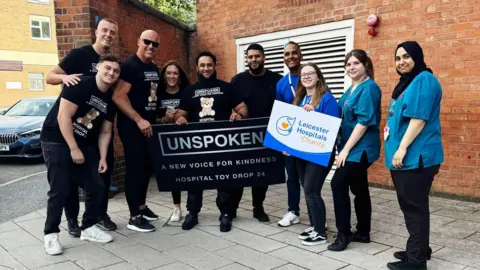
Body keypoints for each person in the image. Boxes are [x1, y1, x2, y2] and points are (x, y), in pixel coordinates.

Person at [45, 18, 119, 236]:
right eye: (104, 30)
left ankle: (95, 218)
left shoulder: (113, 64)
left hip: (91, 132)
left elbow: (106, 129)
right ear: (96, 31)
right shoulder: (80, 55)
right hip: (64, 127)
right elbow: (50, 77)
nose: (108, 34)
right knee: (63, 183)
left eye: (112, 32)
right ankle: (70, 221)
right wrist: (65, 78)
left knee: (97, 179)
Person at [385, 41, 443, 270]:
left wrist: (401, 148)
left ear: (417, 57)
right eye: (398, 58)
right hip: (407, 158)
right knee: (416, 206)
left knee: (413, 207)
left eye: (407, 56)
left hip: (415, 157)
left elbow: (418, 119)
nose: (401, 61)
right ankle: (420, 249)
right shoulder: (408, 84)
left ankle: (417, 261)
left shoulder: (423, 80)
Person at [175, 51, 248, 232]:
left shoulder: (227, 88)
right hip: (197, 146)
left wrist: (238, 115)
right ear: (197, 68)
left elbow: (244, 109)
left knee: (224, 180)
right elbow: (179, 113)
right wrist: (179, 119)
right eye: (203, 65)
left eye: (209, 65)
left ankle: (225, 214)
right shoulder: (189, 91)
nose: (206, 68)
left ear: (214, 67)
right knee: (195, 181)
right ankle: (192, 213)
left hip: (222, 145)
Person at [327, 50, 381, 251]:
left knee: (337, 183)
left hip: (360, 148)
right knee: (359, 187)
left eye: (355, 63)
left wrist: (345, 151)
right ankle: (364, 232)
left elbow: (364, 122)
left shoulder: (368, 88)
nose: (351, 67)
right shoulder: (352, 89)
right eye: (348, 64)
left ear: (365, 65)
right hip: (350, 147)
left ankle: (344, 234)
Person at [284, 63, 338, 245]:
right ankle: (316, 225)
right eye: (303, 74)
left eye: (310, 73)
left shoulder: (326, 99)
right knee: (307, 190)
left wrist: (315, 115)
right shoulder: (299, 100)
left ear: (318, 76)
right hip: (302, 154)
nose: (306, 76)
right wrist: (288, 146)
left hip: (320, 153)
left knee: (311, 190)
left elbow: (332, 128)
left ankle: (321, 233)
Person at [113, 30, 161, 233]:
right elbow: (118, 96)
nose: (151, 46)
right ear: (139, 41)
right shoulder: (129, 66)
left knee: (145, 168)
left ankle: (141, 206)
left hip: (148, 126)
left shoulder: (153, 68)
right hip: (132, 127)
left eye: (155, 44)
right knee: (134, 170)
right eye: (147, 42)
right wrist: (139, 119)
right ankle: (134, 217)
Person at [230, 43, 282, 222]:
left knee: (262, 174)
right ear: (247, 59)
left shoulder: (277, 79)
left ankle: (258, 207)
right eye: (250, 57)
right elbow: (232, 105)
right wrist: (234, 114)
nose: (254, 60)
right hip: (243, 135)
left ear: (264, 58)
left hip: (268, 133)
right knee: (239, 173)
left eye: (257, 56)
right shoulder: (237, 80)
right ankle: (232, 208)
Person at [157, 60, 191, 222]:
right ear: (164, 75)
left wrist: (184, 119)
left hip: (186, 138)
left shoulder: (186, 92)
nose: (172, 76)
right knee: (174, 173)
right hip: (167, 141)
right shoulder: (158, 94)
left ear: (180, 76)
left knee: (191, 172)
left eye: (175, 73)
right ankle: (177, 207)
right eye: (169, 73)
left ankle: (193, 206)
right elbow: (152, 119)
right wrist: (164, 119)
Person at [275, 41, 304, 227]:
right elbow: (280, 115)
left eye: (294, 53)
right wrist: (283, 143)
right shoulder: (281, 84)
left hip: (309, 137)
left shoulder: (310, 76)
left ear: (300, 55)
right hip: (291, 139)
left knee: (310, 180)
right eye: (287, 54)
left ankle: (317, 216)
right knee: (292, 177)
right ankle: (293, 211)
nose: (290, 57)